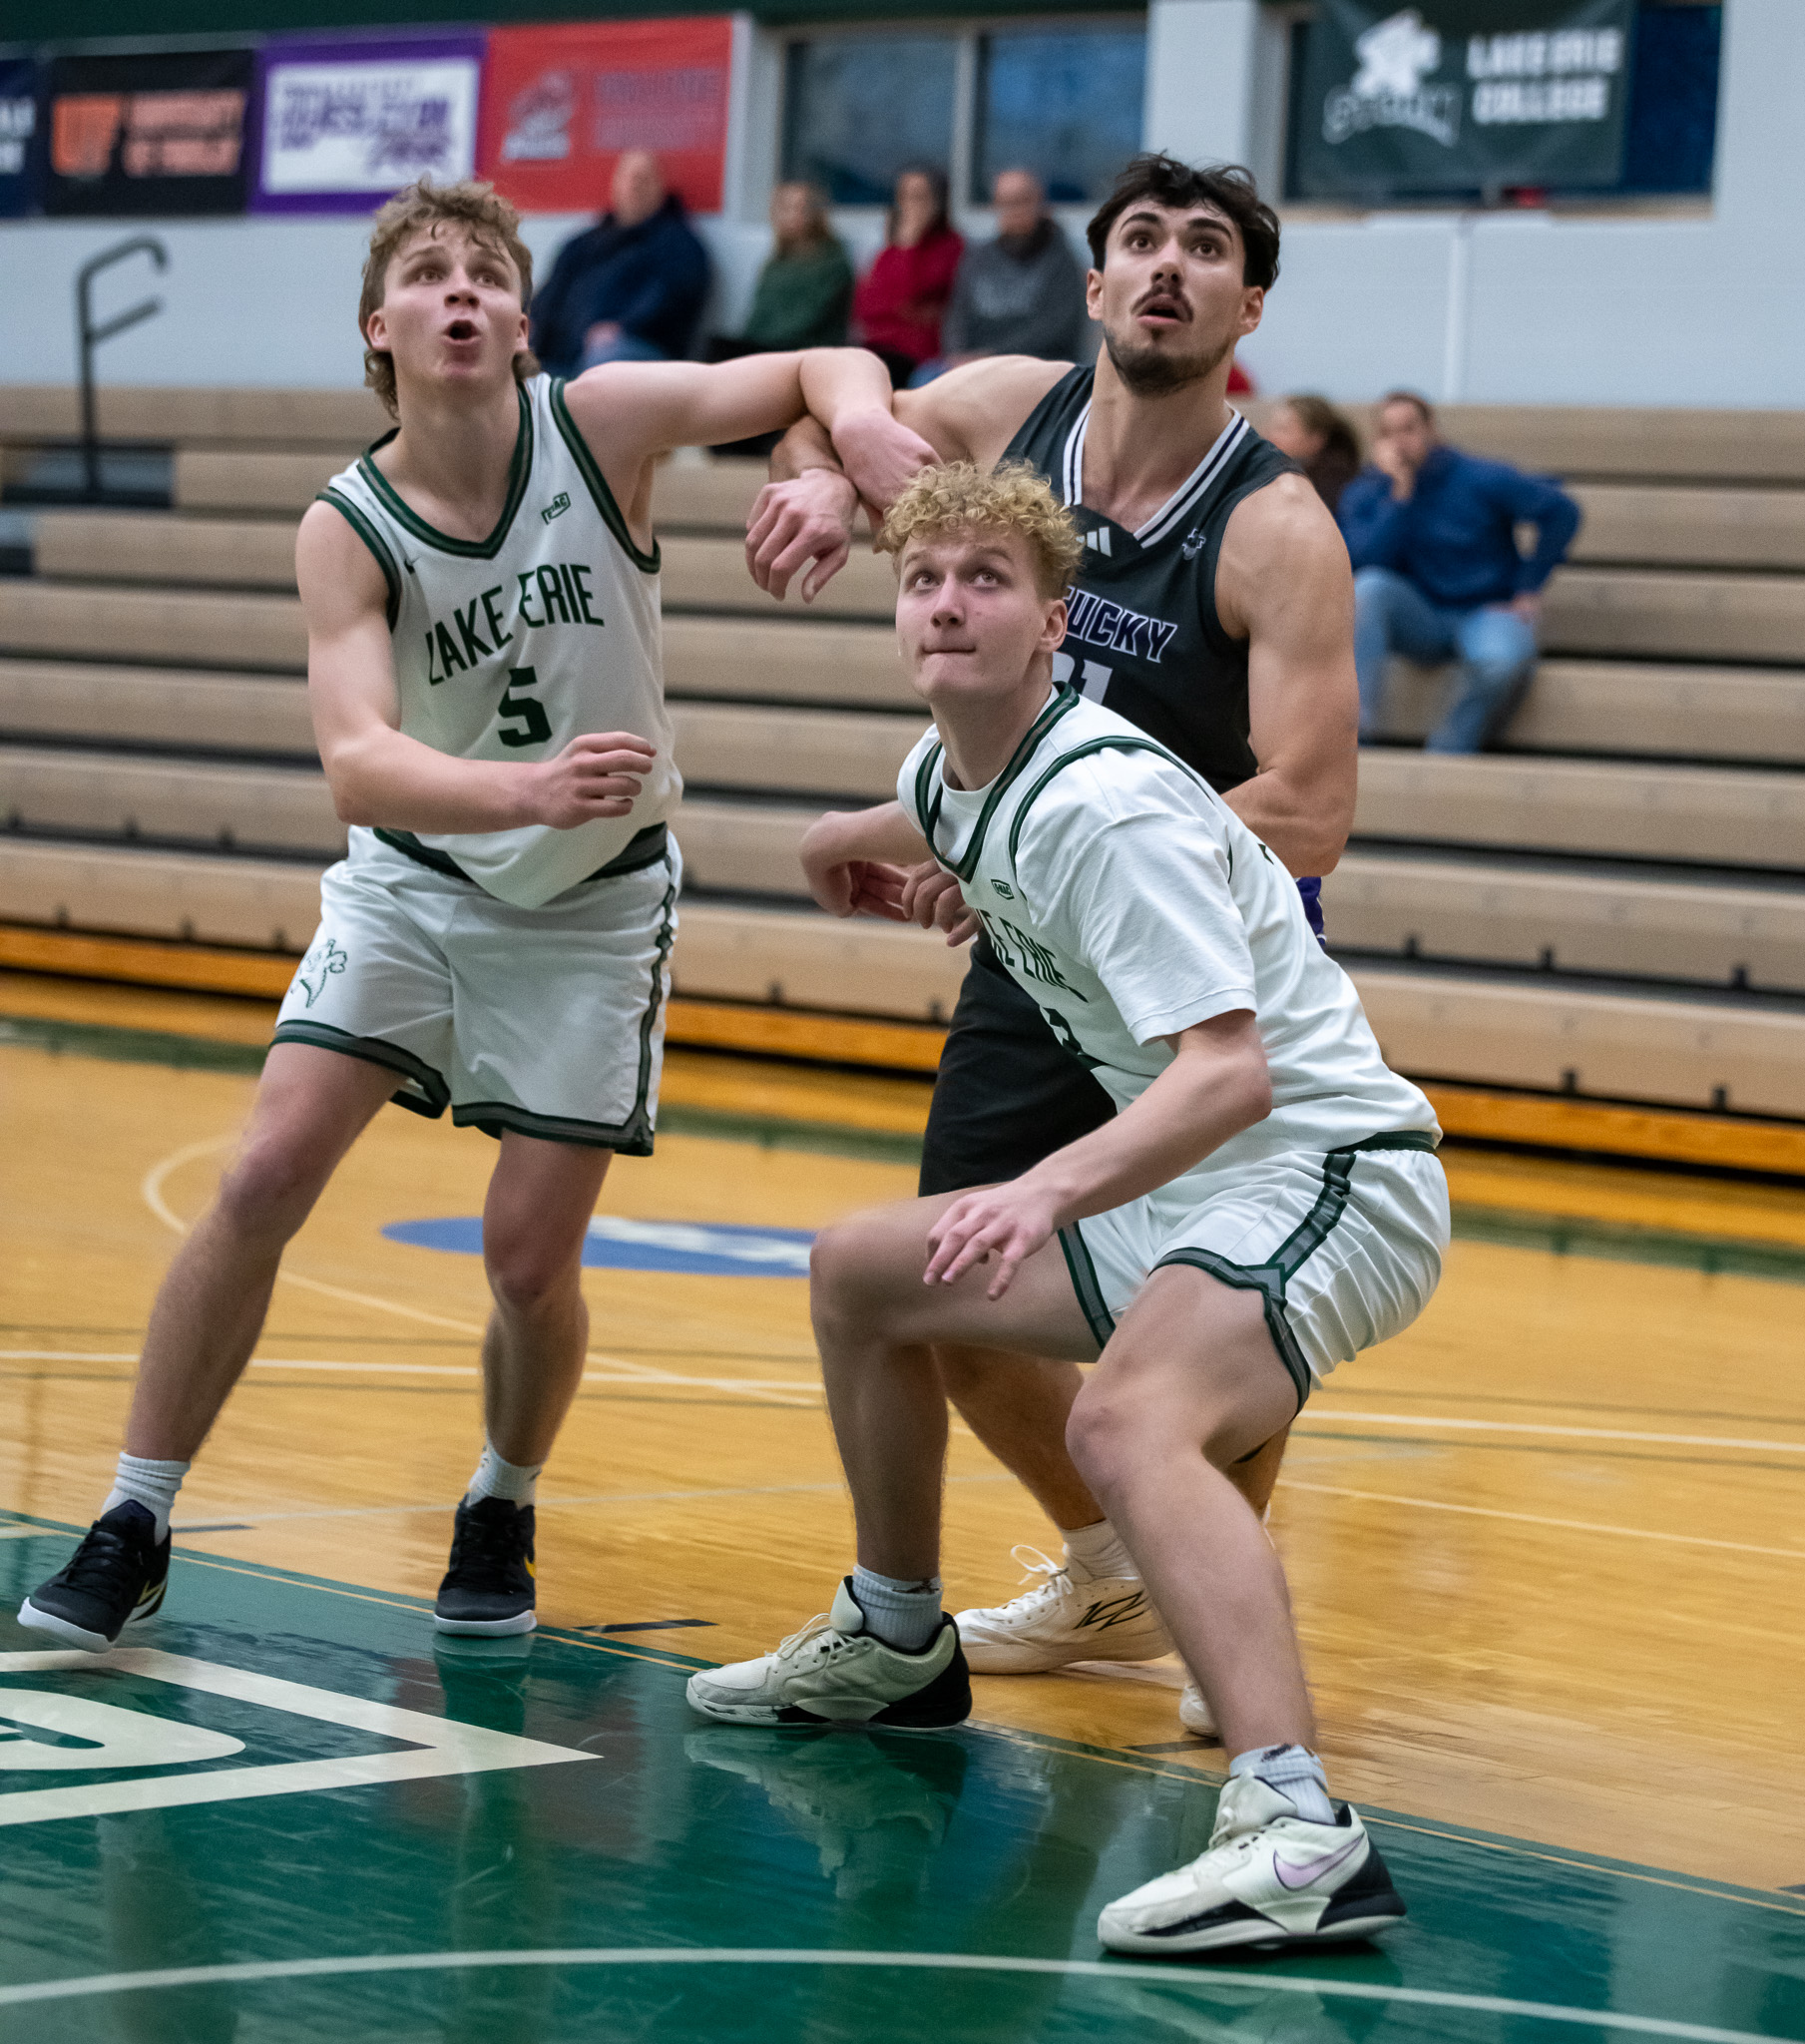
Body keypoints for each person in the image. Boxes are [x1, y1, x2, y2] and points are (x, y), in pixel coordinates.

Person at [15, 177, 898, 1655]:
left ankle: (500, 1496)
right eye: (430, 273)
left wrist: (850, 442)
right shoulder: (346, 526)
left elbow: (816, 366)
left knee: (526, 1262)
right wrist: (521, 792)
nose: (463, 292)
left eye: (488, 271)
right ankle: (136, 1513)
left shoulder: (600, 421)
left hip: (595, 907)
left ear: (520, 317)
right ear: (383, 326)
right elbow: (358, 760)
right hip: (421, 880)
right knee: (264, 1172)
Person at [687, 461, 1447, 1959]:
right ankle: (899, 1636)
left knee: (1121, 1422)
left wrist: (1043, 1189)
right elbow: (909, 809)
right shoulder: (953, 766)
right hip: (1213, 1187)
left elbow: (1228, 1077)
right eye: (923, 581)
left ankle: (1298, 1827)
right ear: (898, 619)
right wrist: (834, 847)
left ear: (1053, 624)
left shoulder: (1105, 806)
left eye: (986, 580)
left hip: (1332, 1174)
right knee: (861, 1273)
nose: (948, 602)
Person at [742, 155, 1358, 1740]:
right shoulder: (1012, 405)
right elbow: (832, 394)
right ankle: (1107, 1571)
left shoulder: (1274, 522)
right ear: (1091, 288)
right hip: (1033, 942)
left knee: (1201, 1315)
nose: (1166, 267)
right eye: (1139, 242)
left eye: (1204, 249)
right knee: (951, 1270)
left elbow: (1312, 803)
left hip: (1195, 963)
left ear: (1246, 307)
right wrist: (820, 469)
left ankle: (1228, 1615)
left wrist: (1066, 843)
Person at [1339, 390, 1580, 753]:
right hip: (1420, 613)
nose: (1401, 441)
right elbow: (1365, 560)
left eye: (1409, 429)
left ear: (1432, 429)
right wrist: (1400, 497)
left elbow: (1562, 511)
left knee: (1501, 662)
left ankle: (1448, 750)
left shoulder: (1480, 476)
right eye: (1389, 433)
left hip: (1486, 610)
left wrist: (1528, 587)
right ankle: (1350, 742)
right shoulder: (1371, 490)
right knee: (1367, 589)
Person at [529, 150, 710, 375]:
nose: (635, 185)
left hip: (634, 351)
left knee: (606, 356)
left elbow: (674, 298)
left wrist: (624, 327)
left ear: (661, 187)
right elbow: (549, 295)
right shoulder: (582, 243)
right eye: (629, 177)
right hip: (562, 352)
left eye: (644, 178)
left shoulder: (679, 244)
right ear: (615, 184)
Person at [933, 168, 1086, 371]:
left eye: (1021, 200)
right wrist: (957, 355)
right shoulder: (978, 257)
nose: (1013, 210)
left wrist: (992, 357)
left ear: (1040, 203)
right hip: (972, 365)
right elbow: (956, 317)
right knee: (925, 380)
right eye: (1004, 203)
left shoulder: (1062, 260)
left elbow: (1055, 331)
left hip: (1037, 368)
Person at [710, 181, 853, 358]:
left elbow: (807, 321)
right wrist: (746, 345)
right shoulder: (776, 262)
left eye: (802, 207)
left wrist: (757, 348)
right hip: (766, 349)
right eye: (786, 207)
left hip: (806, 352)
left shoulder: (833, 264)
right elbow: (758, 313)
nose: (794, 215)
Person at [852, 165, 964, 387]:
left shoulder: (951, 247)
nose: (911, 205)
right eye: (904, 196)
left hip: (916, 354)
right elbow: (865, 307)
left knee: (866, 383)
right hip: (874, 347)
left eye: (919, 196)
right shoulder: (889, 251)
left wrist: (911, 244)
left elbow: (910, 294)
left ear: (938, 201)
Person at [1263, 393, 1361, 515]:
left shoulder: (1333, 486)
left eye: (1283, 429)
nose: (1270, 436)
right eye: (1272, 427)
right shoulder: (1272, 471)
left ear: (1316, 440)